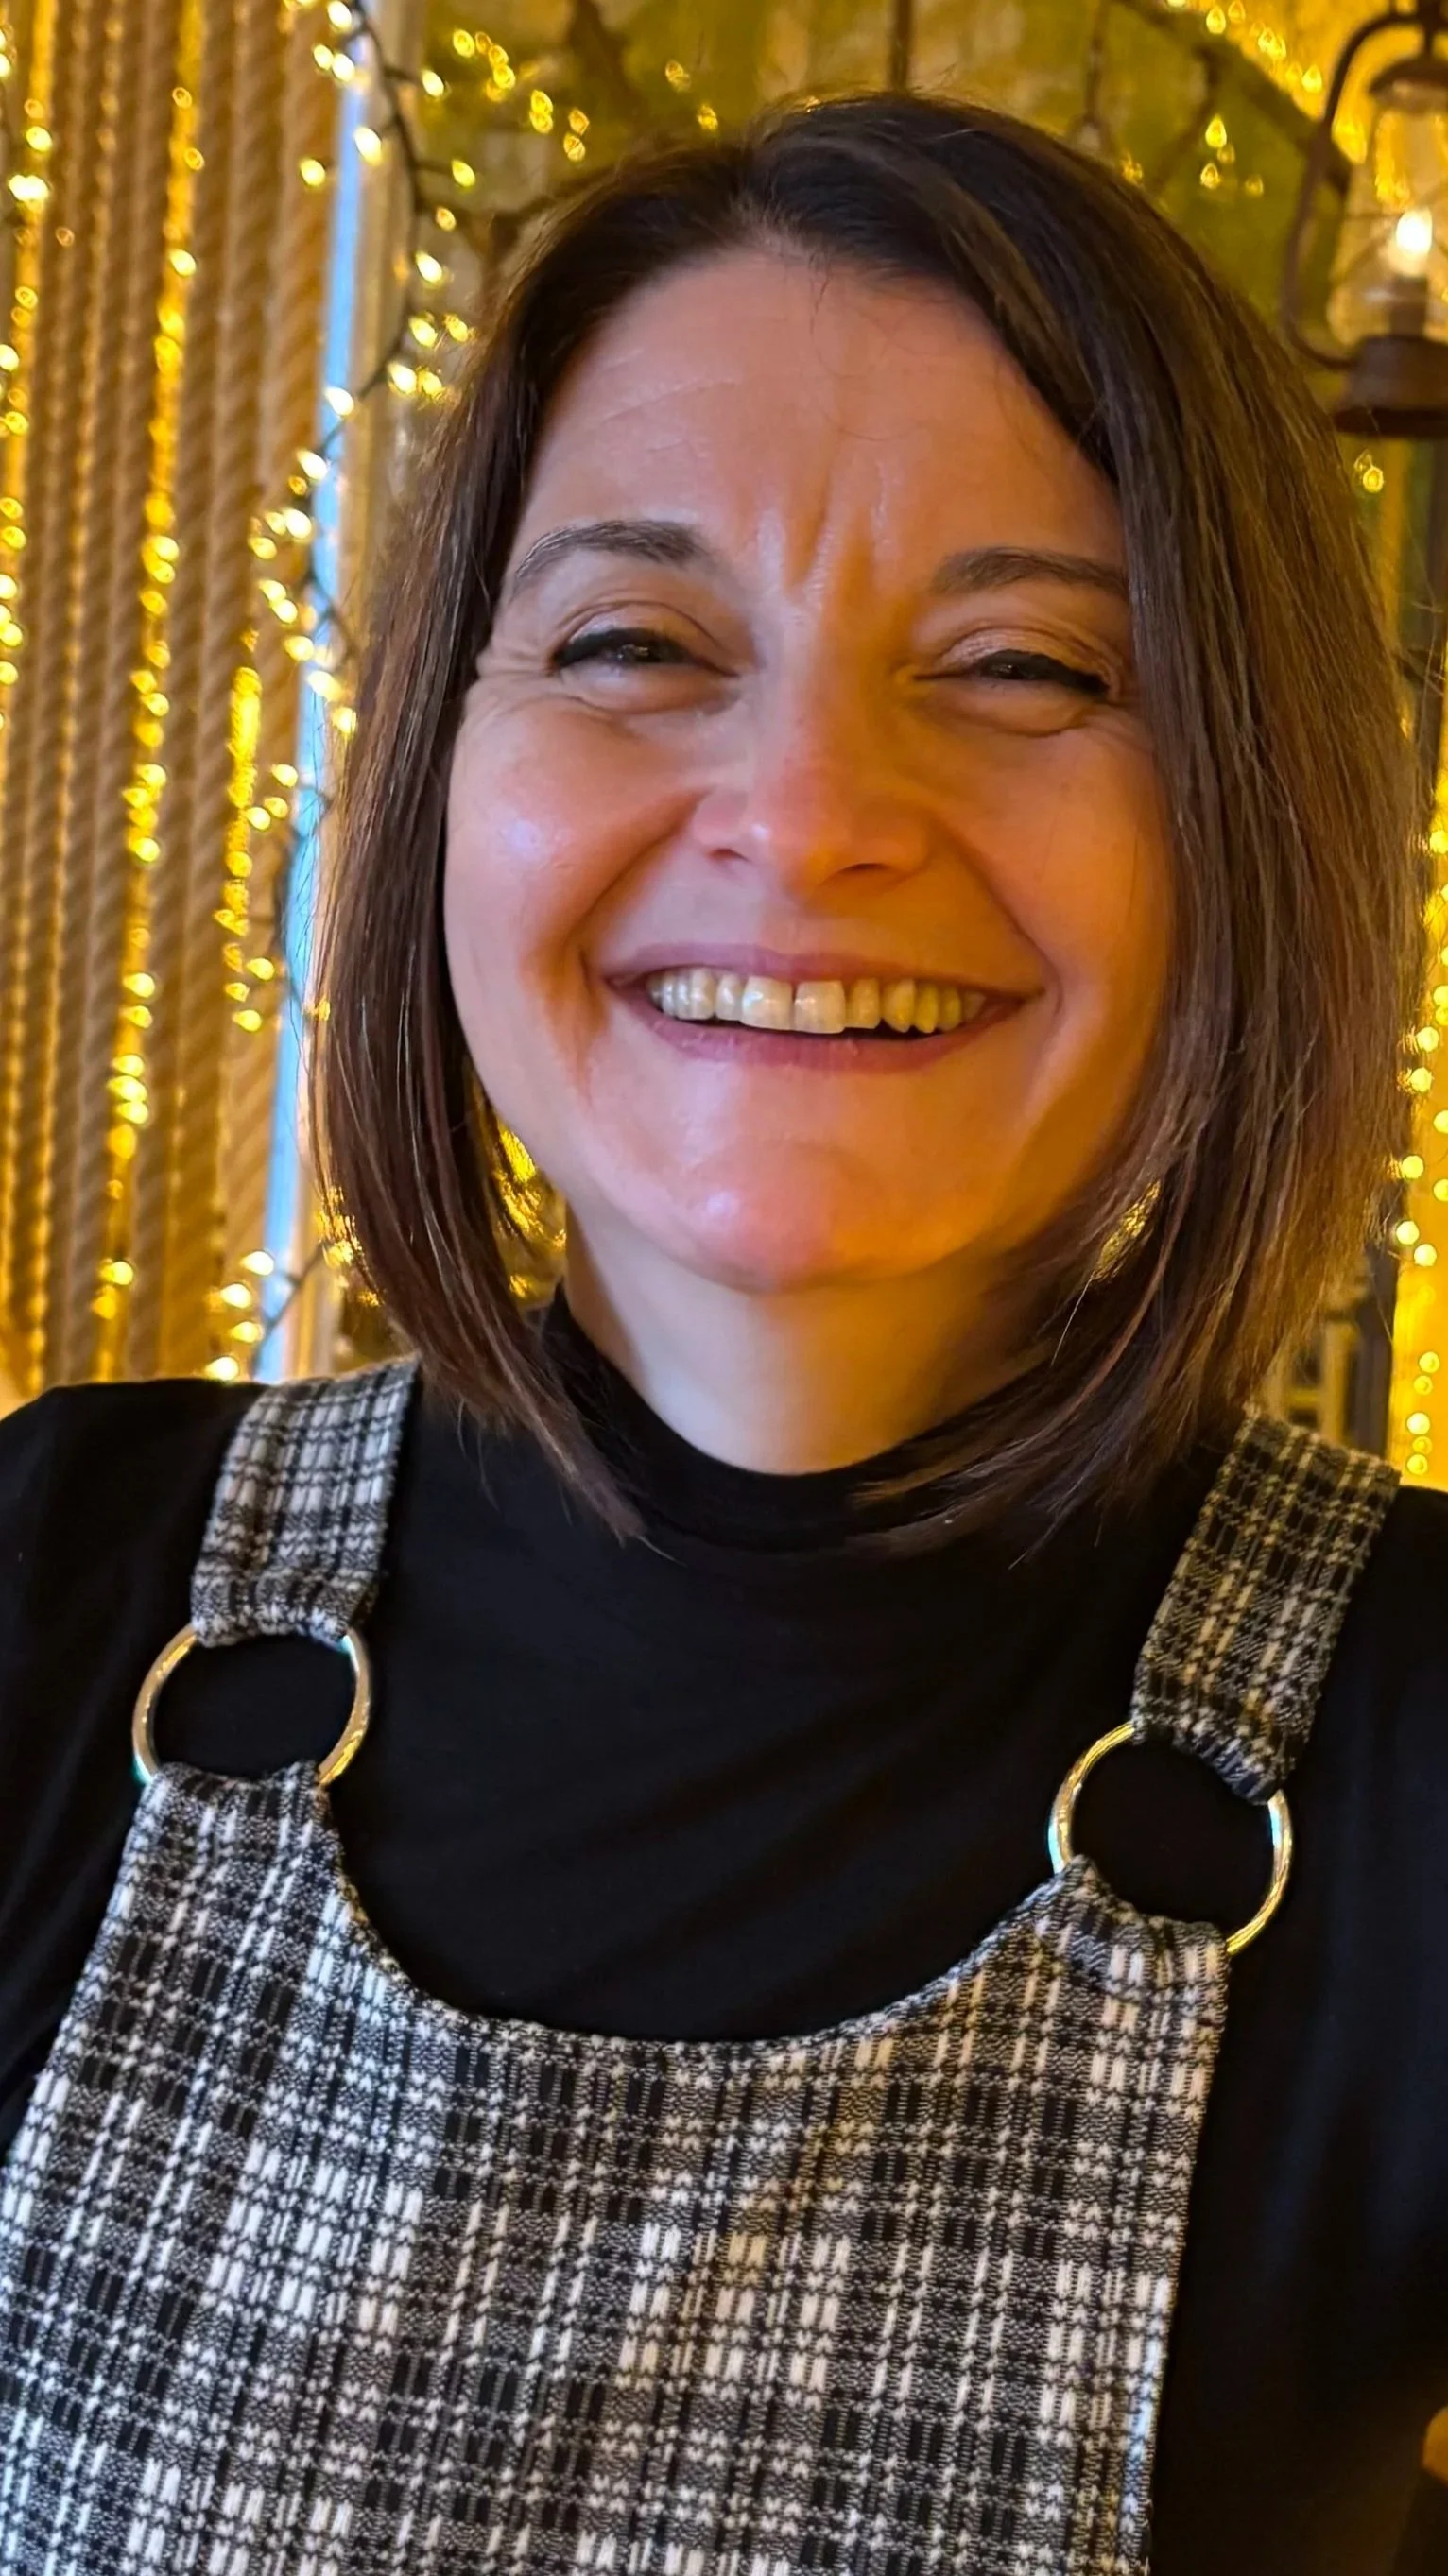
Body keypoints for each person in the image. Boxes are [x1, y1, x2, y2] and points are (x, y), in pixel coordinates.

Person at [0, 88, 1442, 2576]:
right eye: (636, 641)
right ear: (453, 774)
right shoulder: (52, 1580)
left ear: (1249, 817)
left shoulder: (1414, 1760)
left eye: (1021, 663)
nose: (801, 807)